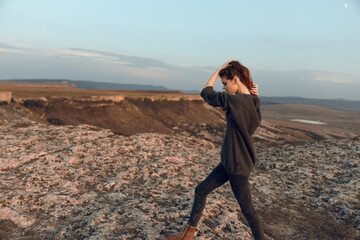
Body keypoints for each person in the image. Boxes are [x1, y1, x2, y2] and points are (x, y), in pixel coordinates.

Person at [164, 60, 265, 240]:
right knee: (201, 190)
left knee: (248, 212)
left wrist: (218, 69)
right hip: (230, 162)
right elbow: (256, 121)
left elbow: (207, 93)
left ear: (235, 79)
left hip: (236, 166)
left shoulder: (236, 101)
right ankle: (188, 234)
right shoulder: (250, 101)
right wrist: (255, 97)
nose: (224, 88)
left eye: (225, 83)